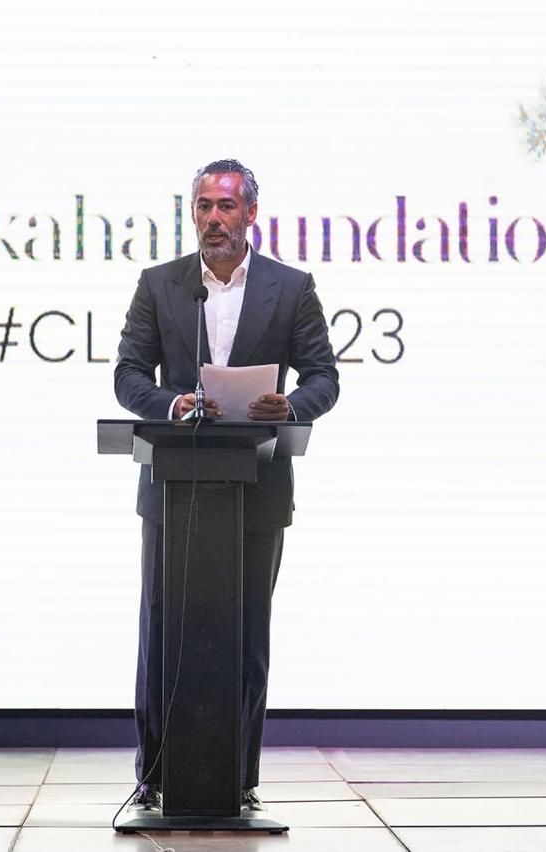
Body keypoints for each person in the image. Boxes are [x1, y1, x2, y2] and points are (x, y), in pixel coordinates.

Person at [114, 159, 340, 812]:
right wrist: (171, 407)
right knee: (162, 635)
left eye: (227, 206)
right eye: (204, 206)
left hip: (257, 489)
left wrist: (291, 407)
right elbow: (129, 374)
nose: (215, 218)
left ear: (251, 215)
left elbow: (324, 377)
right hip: (174, 490)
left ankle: (241, 783)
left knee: (248, 639)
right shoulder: (161, 286)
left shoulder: (290, 288)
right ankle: (152, 779)